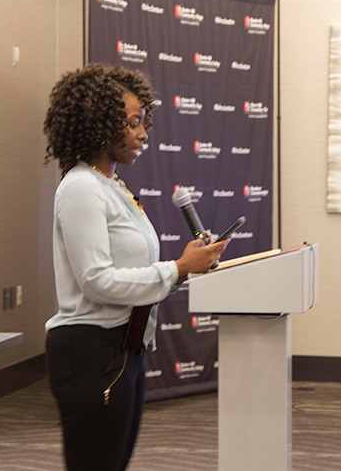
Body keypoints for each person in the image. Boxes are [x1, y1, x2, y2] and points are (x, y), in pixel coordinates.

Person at [43, 63, 228, 471]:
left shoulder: (113, 186)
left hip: (125, 350)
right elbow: (97, 282)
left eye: (142, 122)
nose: (143, 134)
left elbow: (133, 277)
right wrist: (178, 269)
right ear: (98, 124)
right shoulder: (80, 187)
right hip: (90, 354)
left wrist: (188, 268)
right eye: (132, 123)